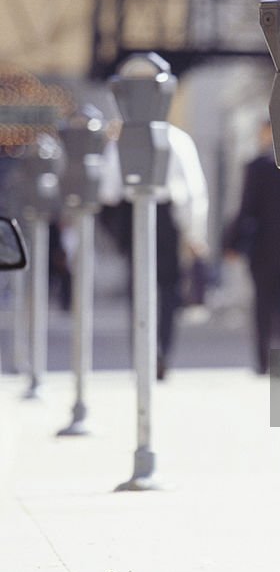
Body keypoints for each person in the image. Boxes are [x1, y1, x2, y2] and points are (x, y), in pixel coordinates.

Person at [100, 123, 209, 380]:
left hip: (137, 212)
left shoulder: (126, 138)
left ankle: (143, 354)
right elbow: (193, 190)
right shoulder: (176, 137)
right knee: (168, 289)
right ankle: (160, 351)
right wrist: (194, 233)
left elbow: (108, 189)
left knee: (140, 288)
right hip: (165, 217)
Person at [223, 122, 280, 375]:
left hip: (263, 248)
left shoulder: (258, 166)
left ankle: (264, 358)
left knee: (263, 303)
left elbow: (246, 207)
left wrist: (231, 243)